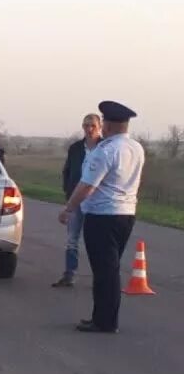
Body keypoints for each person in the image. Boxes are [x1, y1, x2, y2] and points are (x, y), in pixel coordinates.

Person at [59, 101, 144, 334]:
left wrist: (69, 208)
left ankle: (105, 321)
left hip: (102, 215)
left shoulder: (105, 151)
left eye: (103, 122)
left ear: (107, 125)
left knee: (104, 271)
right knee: (111, 268)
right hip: (126, 214)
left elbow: (87, 185)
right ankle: (103, 317)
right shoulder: (136, 148)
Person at [52, 113, 103, 287]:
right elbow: (67, 171)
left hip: (97, 202)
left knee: (96, 240)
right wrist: (68, 191)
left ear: (100, 126)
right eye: (86, 125)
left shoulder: (105, 147)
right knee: (72, 238)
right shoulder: (75, 148)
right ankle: (69, 274)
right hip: (76, 198)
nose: (89, 129)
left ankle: (101, 277)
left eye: (93, 126)